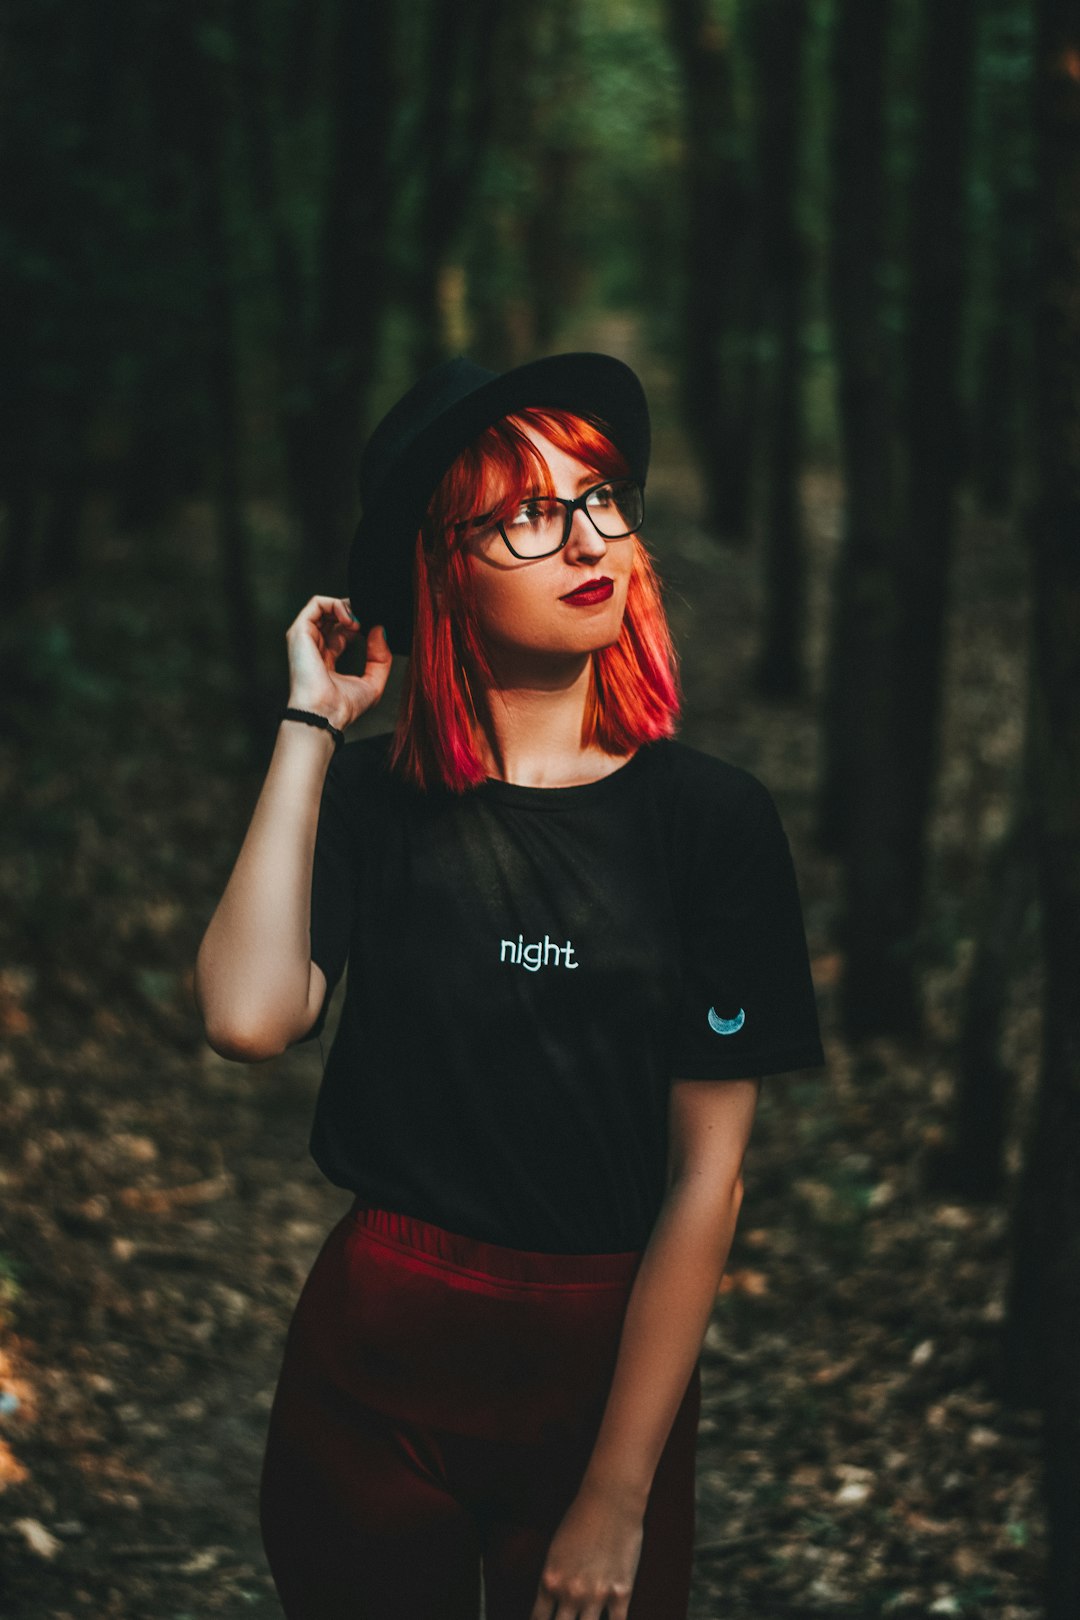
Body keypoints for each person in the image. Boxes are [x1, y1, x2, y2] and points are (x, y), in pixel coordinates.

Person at [194, 353, 826, 1620]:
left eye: (599, 496)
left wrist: (619, 1492)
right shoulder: (375, 803)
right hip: (374, 1369)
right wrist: (311, 726)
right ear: (443, 569)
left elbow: (710, 1176)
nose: (588, 536)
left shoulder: (713, 824)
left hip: (599, 1379)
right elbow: (248, 1017)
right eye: (526, 514)